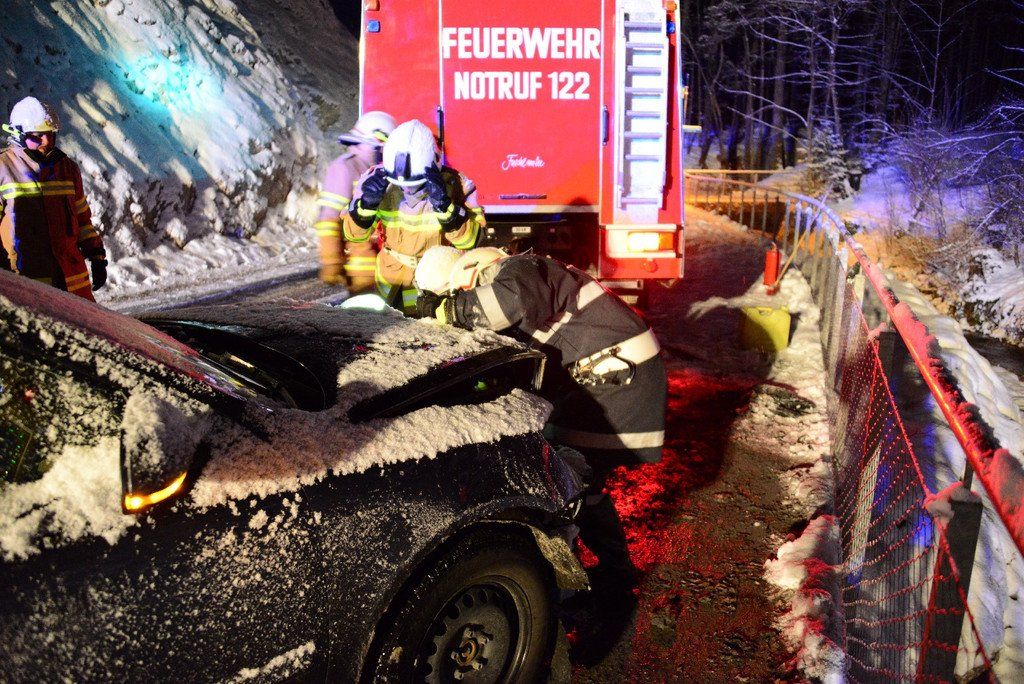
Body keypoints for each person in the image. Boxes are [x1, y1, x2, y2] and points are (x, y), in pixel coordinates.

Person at [415, 246, 667, 590]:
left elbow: (509, 302)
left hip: (617, 377)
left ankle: (587, 580)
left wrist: (447, 310)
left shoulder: (518, 270)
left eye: (459, 292)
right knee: (575, 474)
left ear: (470, 272)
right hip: (610, 374)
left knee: (564, 472)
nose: (463, 298)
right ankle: (610, 572)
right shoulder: (526, 272)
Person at [344, 119, 484, 315]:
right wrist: (365, 207)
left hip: (435, 290)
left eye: (416, 183)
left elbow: (472, 242)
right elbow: (354, 235)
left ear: (434, 164)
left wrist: (447, 210)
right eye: (400, 184)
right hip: (390, 285)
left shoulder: (459, 186)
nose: (407, 189)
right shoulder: (374, 181)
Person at [0, 96, 106, 300]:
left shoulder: (67, 168)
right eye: (38, 136)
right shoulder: (4, 168)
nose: (47, 142)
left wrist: (96, 255)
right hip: (28, 286)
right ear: (18, 135)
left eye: (50, 134)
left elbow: (82, 219)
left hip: (74, 283)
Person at [315, 110, 397, 291]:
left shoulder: (385, 170)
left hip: (392, 270)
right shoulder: (344, 168)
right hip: (363, 273)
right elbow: (329, 219)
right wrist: (331, 260)